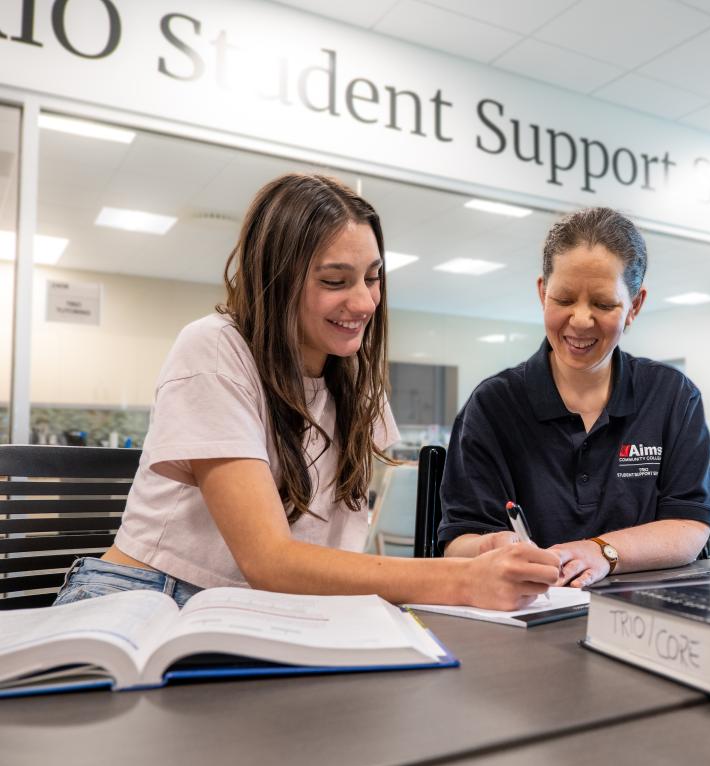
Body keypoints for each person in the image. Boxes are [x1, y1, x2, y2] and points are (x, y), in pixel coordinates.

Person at [54, 173, 559, 610]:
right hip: (150, 597)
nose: (364, 302)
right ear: (275, 279)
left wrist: (475, 554)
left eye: (373, 278)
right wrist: (461, 582)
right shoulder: (214, 349)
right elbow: (270, 562)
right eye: (336, 280)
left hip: (263, 607)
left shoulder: (352, 373)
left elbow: (322, 556)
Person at [439, 207, 710, 587]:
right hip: (535, 609)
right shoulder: (493, 406)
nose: (581, 320)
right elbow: (458, 542)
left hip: (648, 617)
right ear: (542, 293)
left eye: (603, 304)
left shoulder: (671, 396)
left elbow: (690, 525)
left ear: (634, 306)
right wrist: (494, 545)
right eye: (564, 299)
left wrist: (600, 551)